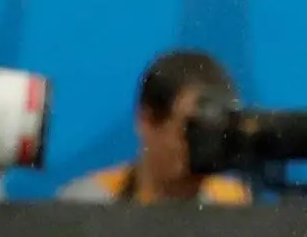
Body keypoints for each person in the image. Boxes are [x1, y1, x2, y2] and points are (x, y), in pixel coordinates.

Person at [60, 50, 251, 204]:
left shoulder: (233, 202)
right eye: (194, 131)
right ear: (146, 120)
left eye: (216, 132)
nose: (206, 145)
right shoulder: (88, 204)